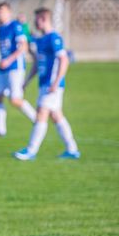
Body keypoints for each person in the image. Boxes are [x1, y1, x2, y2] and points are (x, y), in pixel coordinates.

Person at [14, 8, 80, 161]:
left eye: (37, 19)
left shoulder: (54, 38)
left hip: (52, 85)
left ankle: (31, 151)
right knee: (56, 116)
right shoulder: (42, 40)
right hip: (44, 84)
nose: (35, 22)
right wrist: (26, 82)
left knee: (41, 113)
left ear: (43, 19)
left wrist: (56, 82)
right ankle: (72, 149)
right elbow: (37, 61)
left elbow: (64, 59)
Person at [0, 2, 37, 136]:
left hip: (15, 67)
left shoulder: (15, 26)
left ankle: (37, 119)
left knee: (15, 99)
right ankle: (0, 130)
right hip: (3, 67)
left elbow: (23, 47)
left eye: (3, 11)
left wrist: (9, 60)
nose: (0, 13)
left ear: (9, 12)